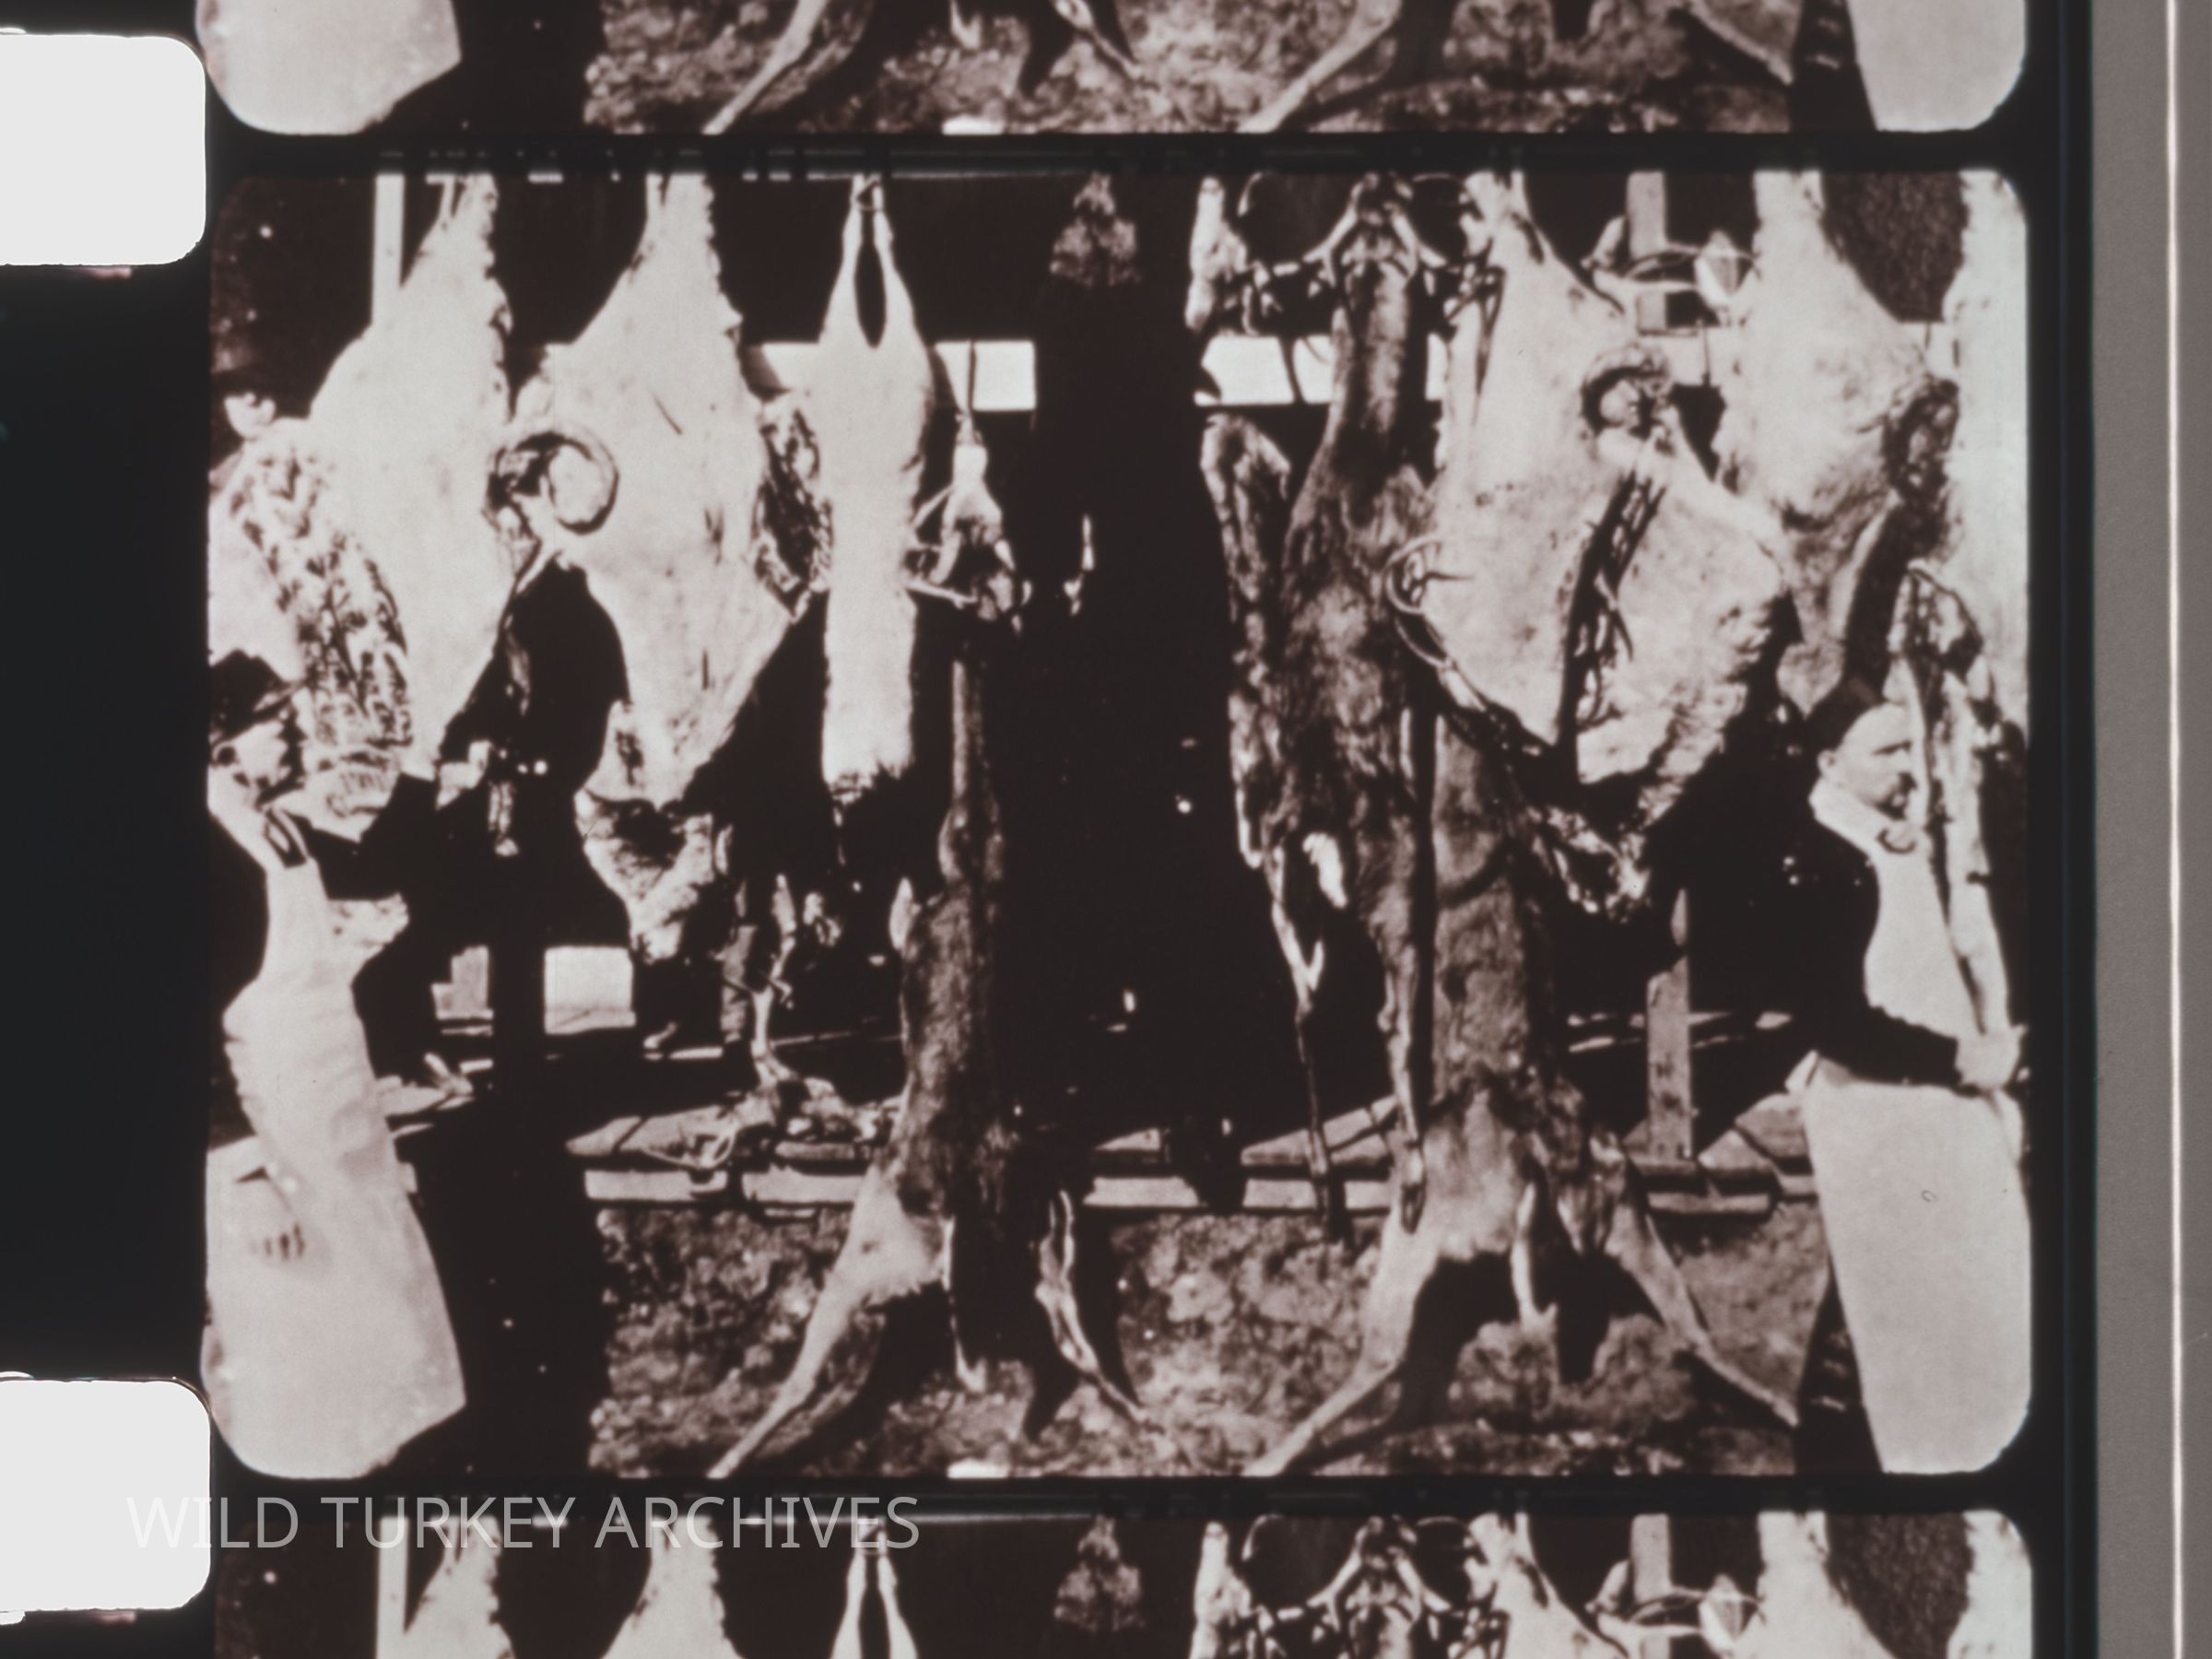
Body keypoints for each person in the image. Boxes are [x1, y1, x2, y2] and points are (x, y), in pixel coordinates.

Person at [206, 651, 466, 1477]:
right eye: (276, 723)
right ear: (221, 745)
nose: (295, 734)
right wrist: (243, 1174)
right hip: (271, 1140)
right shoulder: (203, 851)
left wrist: (424, 767)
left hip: (333, 1115)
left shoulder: (278, 830)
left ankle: (367, 1485)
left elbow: (379, 866)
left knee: (370, 1329)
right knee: (295, 1332)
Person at [1776, 678, 2030, 1473]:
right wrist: (1960, 1059)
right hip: (1878, 1113)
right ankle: (1918, 1474)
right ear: (1830, 762)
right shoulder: (1819, 858)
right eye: (1885, 751)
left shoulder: (1888, 840)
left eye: (1907, 748)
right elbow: (1836, 1023)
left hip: (1938, 1105)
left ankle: (1974, 1463)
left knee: (1972, 1300)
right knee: (1908, 1317)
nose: (1906, 767)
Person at [350, 425, 630, 1088]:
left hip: (529, 791)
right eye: (504, 511)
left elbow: (585, 703)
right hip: (484, 793)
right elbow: (470, 687)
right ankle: (444, 1038)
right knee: (468, 919)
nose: (512, 528)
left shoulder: (567, 606)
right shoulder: (497, 602)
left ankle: (513, 1072)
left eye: (524, 509)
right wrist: (469, 744)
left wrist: (526, 761)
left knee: (512, 926)